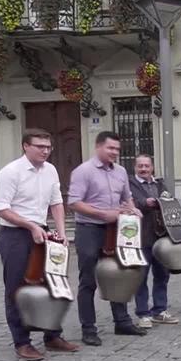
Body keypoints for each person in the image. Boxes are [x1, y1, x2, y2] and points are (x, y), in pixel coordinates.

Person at [0, 129, 79, 360]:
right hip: (15, 235)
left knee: (51, 283)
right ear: (25, 146)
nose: (45, 151)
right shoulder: (10, 173)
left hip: (43, 234)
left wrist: (61, 233)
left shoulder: (50, 170)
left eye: (48, 147)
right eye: (40, 146)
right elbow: (0, 208)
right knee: (17, 289)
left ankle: (52, 336)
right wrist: (30, 226)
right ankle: (22, 342)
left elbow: (57, 202)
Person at [68, 131, 146, 346]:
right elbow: (74, 202)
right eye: (111, 148)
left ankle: (122, 321)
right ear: (99, 147)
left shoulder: (121, 171)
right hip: (89, 229)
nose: (115, 153)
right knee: (88, 280)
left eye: (118, 150)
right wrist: (102, 214)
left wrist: (133, 210)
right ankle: (89, 328)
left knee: (119, 274)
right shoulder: (83, 171)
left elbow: (127, 198)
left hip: (116, 229)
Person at [129, 154, 178, 329]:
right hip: (140, 237)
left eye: (146, 166)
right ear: (135, 168)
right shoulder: (129, 184)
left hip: (161, 237)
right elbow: (130, 202)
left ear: (152, 168)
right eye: (140, 166)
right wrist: (144, 202)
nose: (143, 169)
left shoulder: (159, 184)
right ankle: (143, 313)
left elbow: (170, 201)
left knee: (162, 275)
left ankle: (160, 310)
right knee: (140, 276)